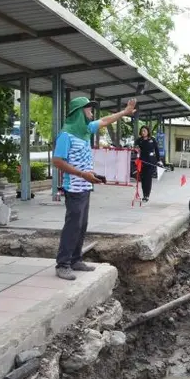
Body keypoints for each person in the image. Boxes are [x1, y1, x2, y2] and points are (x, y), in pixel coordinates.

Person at [53, 97, 137, 280]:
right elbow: (57, 161)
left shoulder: (85, 130)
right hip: (74, 187)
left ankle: (75, 260)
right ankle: (63, 264)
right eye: (89, 110)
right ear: (78, 112)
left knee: (82, 225)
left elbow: (106, 120)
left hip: (85, 185)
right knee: (72, 226)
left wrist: (124, 112)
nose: (92, 113)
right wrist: (82, 174)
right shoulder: (66, 135)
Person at [135, 125, 162, 202]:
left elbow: (156, 150)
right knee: (143, 179)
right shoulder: (139, 140)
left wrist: (158, 160)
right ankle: (144, 194)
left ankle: (147, 195)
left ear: (148, 132)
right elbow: (136, 149)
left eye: (145, 131)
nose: (143, 132)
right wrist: (136, 149)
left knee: (148, 178)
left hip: (150, 161)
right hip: (142, 161)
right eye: (142, 131)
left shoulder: (152, 140)